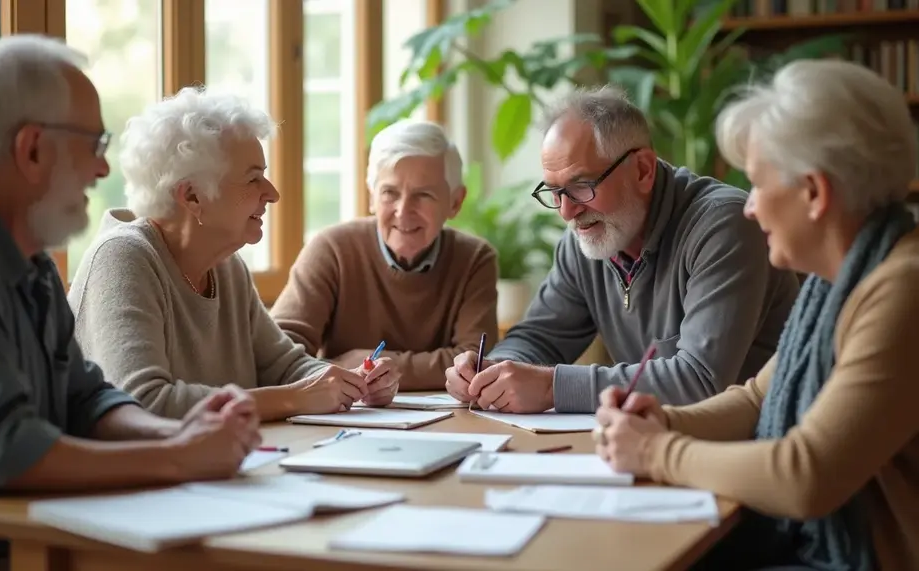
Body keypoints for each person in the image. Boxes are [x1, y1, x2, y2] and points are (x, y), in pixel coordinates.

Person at [0, 36, 262, 571]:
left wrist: (179, 431)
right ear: (33, 149)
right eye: (93, 145)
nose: (102, 170)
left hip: (42, 537)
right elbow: (6, 451)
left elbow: (85, 398)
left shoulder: (25, 253)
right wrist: (177, 457)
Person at [594, 60, 919, 571]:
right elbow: (755, 398)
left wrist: (656, 452)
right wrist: (660, 420)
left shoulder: (904, 289)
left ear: (814, 192)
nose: (749, 207)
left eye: (758, 183)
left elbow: (805, 476)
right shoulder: (837, 282)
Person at [445, 85, 800, 413]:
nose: (566, 212)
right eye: (554, 191)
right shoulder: (587, 239)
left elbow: (700, 380)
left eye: (581, 186)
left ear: (643, 170)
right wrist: (492, 371)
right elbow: (539, 337)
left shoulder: (724, 225)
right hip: (655, 438)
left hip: (756, 440)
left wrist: (552, 387)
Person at [67, 87, 401, 421]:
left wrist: (353, 383)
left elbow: (286, 367)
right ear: (193, 196)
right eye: (253, 179)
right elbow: (143, 402)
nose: (272, 193)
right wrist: (295, 398)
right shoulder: (122, 258)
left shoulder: (225, 266)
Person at [270, 119, 498, 390]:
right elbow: (278, 353)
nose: (403, 211)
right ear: (371, 197)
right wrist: (352, 376)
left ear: (455, 202)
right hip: (347, 410)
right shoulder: (332, 250)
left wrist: (370, 367)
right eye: (389, 193)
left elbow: (475, 364)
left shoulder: (474, 259)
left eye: (423, 195)